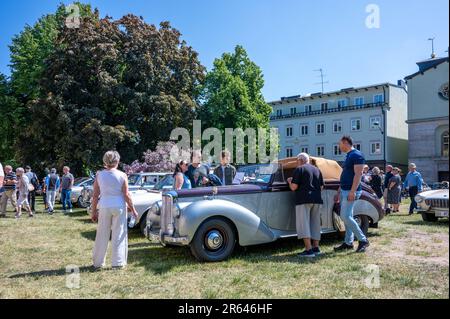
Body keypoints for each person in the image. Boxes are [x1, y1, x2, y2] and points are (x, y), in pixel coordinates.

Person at [91, 151, 138, 269]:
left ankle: (98, 263)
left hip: (104, 205)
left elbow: (95, 195)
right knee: (119, 233)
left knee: (102, 234)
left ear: (104, 161)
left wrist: (93, 211)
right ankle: (118, 262)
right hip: (119, 206)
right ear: (117, 161)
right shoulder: (122, 175)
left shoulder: (99, 175)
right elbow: (126, 194)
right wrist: (133, 209)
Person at [334, 136, 370, 253]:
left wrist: (352, 192)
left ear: (345, 143)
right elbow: (346, 174)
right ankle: (348, 242)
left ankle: (363, 240)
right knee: (347, 217)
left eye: (340, 144)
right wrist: (339, 191)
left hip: (351, 190)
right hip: (345, 190)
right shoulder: (349, 155)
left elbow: (358, 174)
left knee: (345, 216)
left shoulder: (357, 155)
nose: (339, 147)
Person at [287, 153, 324, 258]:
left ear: (300, 160)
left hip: (303, 199)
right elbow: (321, 187)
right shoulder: (317, 170)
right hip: (317, 199)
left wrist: (290, 181)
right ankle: (316, 247)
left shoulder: (299, 169)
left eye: (297, 160)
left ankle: (308, 250)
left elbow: (294, 187)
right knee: (315, 223)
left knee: (304, 224)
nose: (296, 162)